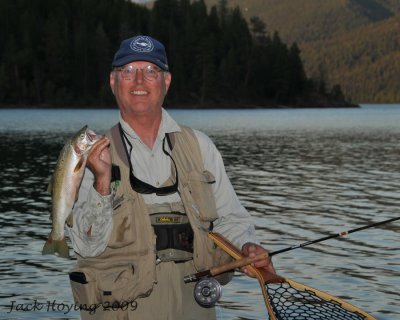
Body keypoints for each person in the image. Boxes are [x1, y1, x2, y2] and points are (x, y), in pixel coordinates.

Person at [68, 35, 275, 320]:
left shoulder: (200, 147)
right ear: (113, 82)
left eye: (150, 71)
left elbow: (231, 219)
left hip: (193, 308)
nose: (139, 81)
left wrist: (245, 247)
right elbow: (83, 245)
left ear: (166, 82)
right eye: (128, 71)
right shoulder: (88, 155)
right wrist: (102, 181)